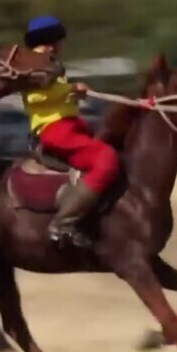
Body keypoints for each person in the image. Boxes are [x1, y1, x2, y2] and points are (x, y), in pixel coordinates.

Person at [21, 16, 120, 247]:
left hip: (70, 124)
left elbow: (55, 96)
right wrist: (70, 89)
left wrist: (72, 94)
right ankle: (63, 223)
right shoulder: (34, 62)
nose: (62, 45)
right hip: (52, 129)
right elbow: (34, 96)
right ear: (51, 40)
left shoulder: (50, 61)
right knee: (106, 159)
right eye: (60, 40)